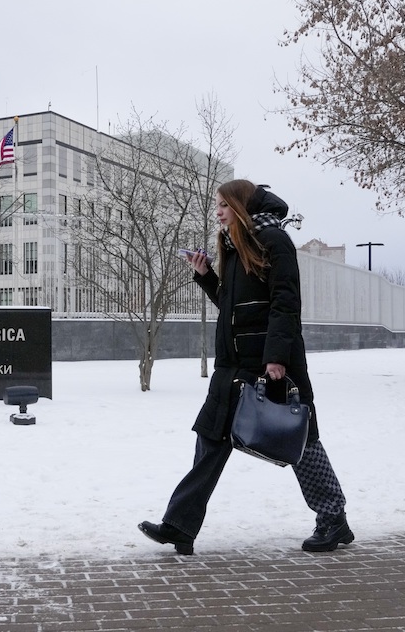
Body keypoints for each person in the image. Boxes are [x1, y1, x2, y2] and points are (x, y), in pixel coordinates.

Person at [139, 179, 354, 555]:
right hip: (232, 367)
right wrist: (206, 276)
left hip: (269, 363)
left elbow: (285, 303)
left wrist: (276, 357)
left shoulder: (275, 241)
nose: (218, 211)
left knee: (299, 440)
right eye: (217, 205)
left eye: (223, 204)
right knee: (210, 439)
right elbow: (234, 306)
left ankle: (333, 518)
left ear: (241, 205)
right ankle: (180, 526)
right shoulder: (235, 244)